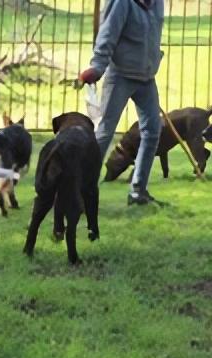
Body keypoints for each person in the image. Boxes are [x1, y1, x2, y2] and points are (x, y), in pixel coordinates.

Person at [79, 0, 164, 205]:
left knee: (153, 130)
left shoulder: (157, 2)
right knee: (105, 133)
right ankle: (80, 191)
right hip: (120, 76)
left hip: (146, 77)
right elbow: (108, 33)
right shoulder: (121, 2)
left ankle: (138, 191)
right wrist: (97, 67)